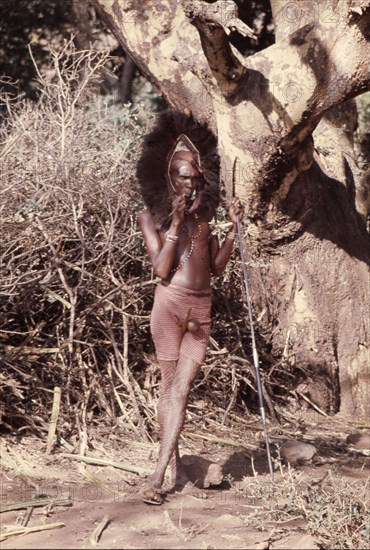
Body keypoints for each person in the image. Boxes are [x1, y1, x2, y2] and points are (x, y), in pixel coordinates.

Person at [136, 112, 244, 504]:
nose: (191, 182)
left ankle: (162, 474)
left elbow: (215, 268)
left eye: (196, 177)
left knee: (179, 390)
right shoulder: (152, 218)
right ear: (168, 177)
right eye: (184, 175)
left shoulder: (206, 218)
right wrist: (176, 223)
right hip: (168, 306)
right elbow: (161, 269)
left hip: (201, 310)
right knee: (172, 390)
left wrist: (233, 228)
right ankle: (163, 474)